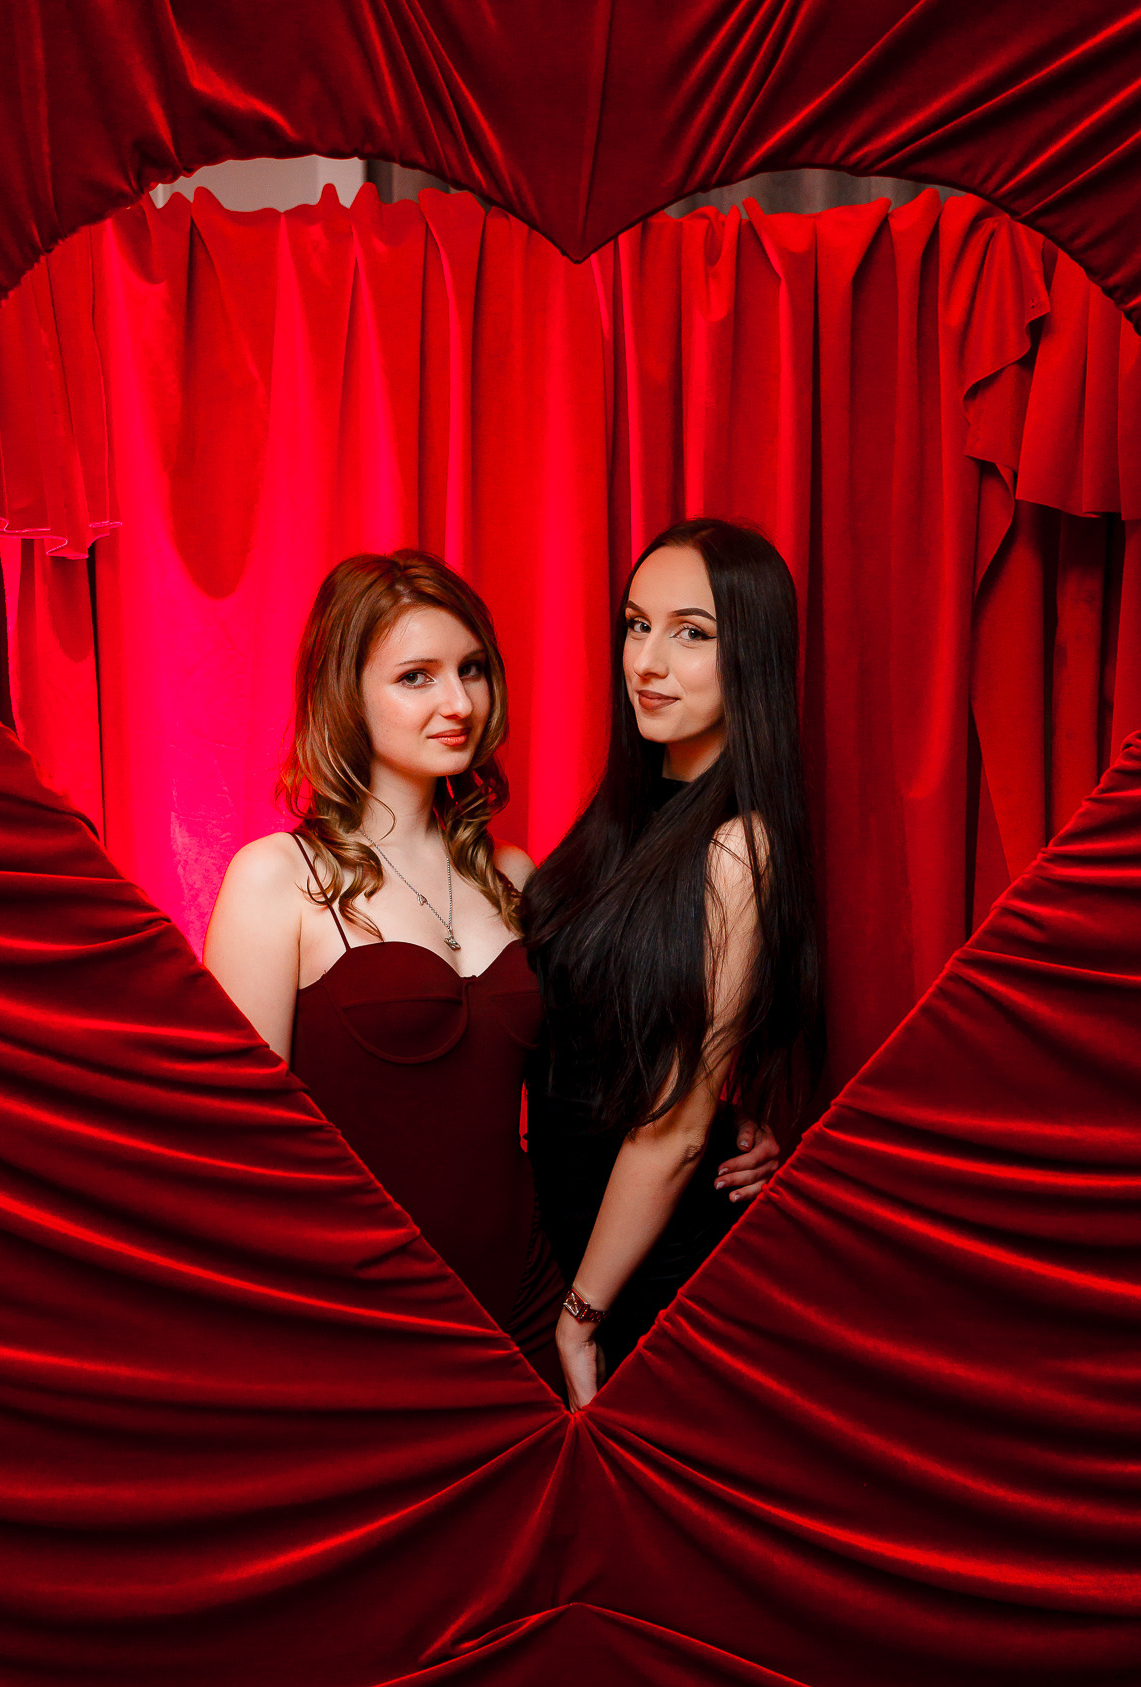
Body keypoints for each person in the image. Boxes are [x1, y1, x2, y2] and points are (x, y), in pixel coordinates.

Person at [202, 548, 782, 1403]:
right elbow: (235, 1150)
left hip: (525, 1295)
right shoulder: (277, 879)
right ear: (343, 693)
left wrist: (725, 1125)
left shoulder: (514, 877)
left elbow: (597, 1066)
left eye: (470, 670)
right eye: (416, 677)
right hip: (357, 1309)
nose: (458, 703)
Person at [522, 519, 822, 1411]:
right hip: (569, 1236)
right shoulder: (620, 820)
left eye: (691, 633)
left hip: (644, 1273)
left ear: (750, 658)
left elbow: (677, 1126)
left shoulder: (738, 847)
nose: (647, 662)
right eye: (636, 625)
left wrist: (580, 1316)